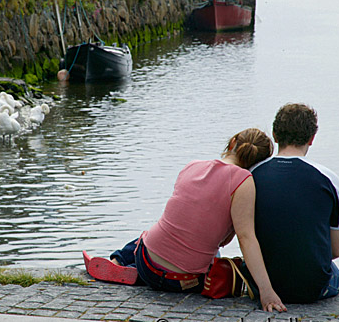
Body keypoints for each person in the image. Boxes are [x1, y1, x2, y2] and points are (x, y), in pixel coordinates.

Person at [83, 128, 287, 312]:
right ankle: (132, 270)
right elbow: (245, 238)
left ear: (232, 142)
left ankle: (119, 260)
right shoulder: (244, 181)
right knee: (210, 251)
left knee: (152, 235)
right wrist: (266, 291)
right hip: (182, 282)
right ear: (257, 163)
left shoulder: (192, 165)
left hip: (147, 262)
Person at [244, 103, 339, 303]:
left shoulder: (250, 175)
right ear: (312, 138)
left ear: (274, 135)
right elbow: (336, 250)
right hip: (312, 288)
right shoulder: (329, 179)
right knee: (333, 271)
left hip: (260, 285)